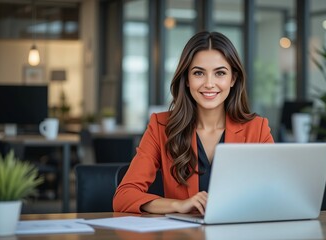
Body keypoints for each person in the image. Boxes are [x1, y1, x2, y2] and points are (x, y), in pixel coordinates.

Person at [113, 31, 274, 214]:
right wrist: (178, 205)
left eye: (220, 73)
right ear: (187, 80)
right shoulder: (161, 126)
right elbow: (124, 196)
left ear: (233, 79)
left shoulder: (257, 129)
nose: (209, 83)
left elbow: (276, 193)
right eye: (199, 73)